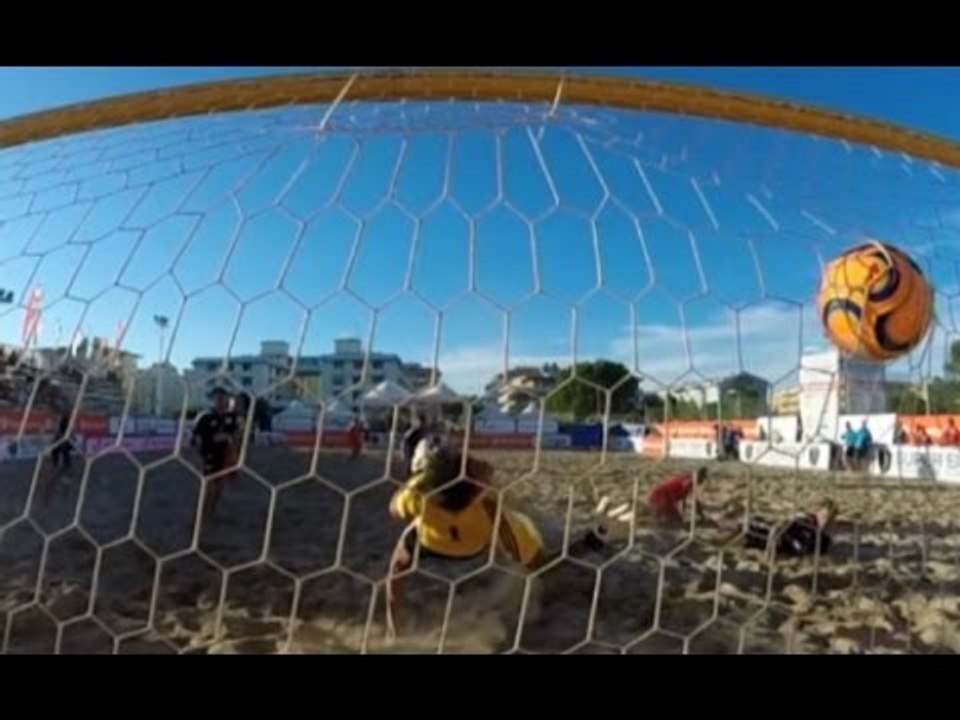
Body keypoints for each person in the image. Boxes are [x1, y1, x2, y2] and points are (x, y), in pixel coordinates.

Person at [386, 444, 545, 631]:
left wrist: (416, 485)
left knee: (397, 567)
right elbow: (519, 549)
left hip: (431, 541)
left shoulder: (417, 495)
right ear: (478, 490)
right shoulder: (489, 508)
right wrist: (534, 563)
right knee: (516, 543)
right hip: (473, 547)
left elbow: (394, 511)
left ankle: (393, 626)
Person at [191, 387, 241, 521]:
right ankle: (201, 514)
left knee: (219, 487)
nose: (221, 400)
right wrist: (199, 456)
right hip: (209, 456)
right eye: (218, 398)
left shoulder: (232, 417)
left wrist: (235, 455)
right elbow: (196, 439)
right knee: (209, 487)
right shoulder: (205, 417)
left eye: (223, 397)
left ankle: (211, 512)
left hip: (225, 456)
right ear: (212, 400)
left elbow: (236, 436)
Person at [744, 498, 838, 558]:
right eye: (825, 516)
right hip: (765, 538)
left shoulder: (823, 537)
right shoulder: (804, 521)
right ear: (817, 512)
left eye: (831, 518)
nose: (827, 521)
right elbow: (779, 527)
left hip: (786, 546)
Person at [402, 414, 428, 479]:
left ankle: (412, 476)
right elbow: (406, 439)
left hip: (415, 449)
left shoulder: (421, 429)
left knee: (415, 463)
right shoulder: (415, 429)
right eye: (422, 422)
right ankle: (408, 477)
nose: (423, 423)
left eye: (423, 422)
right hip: (410, 448)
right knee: (409, 463)